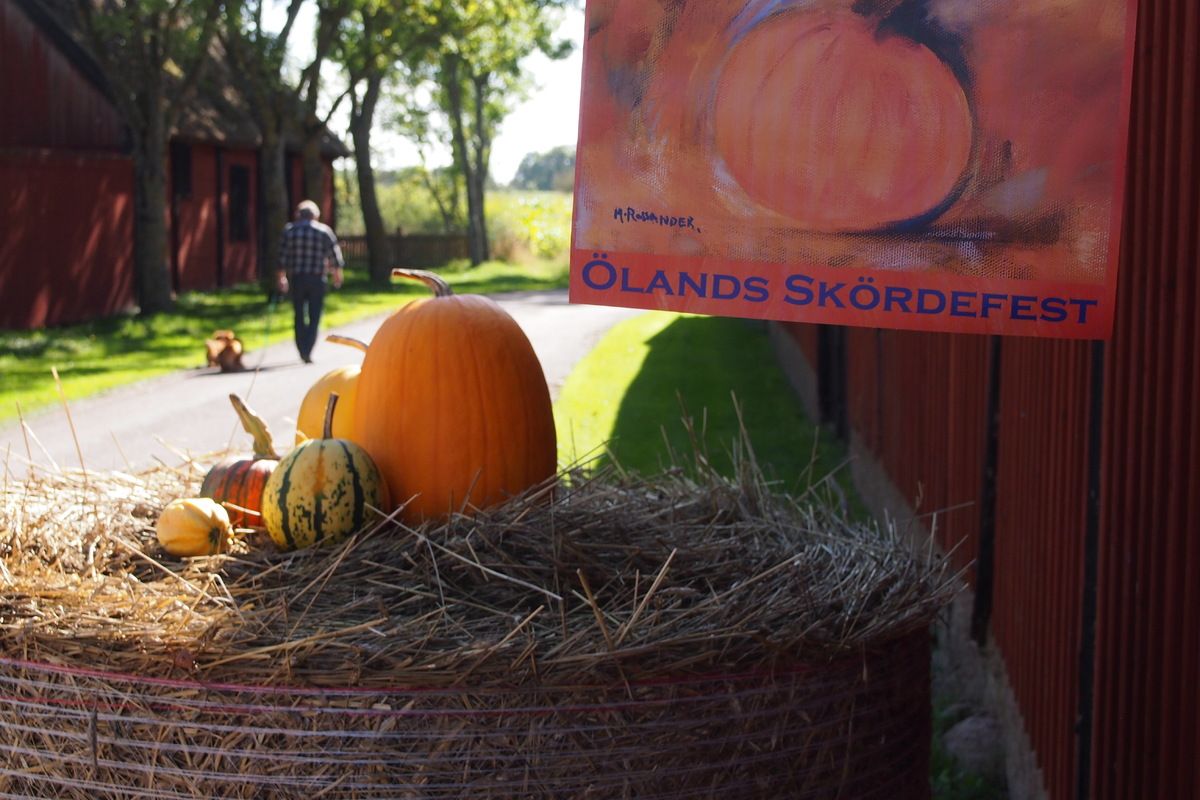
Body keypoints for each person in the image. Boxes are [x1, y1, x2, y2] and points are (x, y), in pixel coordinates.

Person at [276, 200, 344, 363]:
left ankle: (301, 348)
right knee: (315, 315)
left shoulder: (290, 231)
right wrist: (336, 275)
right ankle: (308, 348)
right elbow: (335, 256)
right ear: (316, 215)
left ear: (299, 214)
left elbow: (281, 258)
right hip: (317, 279)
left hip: (298, 278)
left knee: (299, 314)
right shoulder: (324, 231)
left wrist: (281, 278)